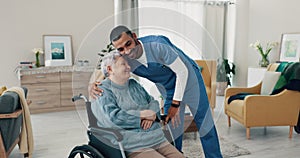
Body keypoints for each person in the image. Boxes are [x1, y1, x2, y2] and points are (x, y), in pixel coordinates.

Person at [91, 25, 223, 157]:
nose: (127, 51)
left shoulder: (158, 45)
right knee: (172, 126)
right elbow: (111, 70)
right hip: (168, 87)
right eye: (121, 49)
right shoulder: (125, 57)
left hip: (190, 81)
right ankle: (176, 153)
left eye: (128, 44)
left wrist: (175, 104)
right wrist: (96, 84)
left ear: (134, 37)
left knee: (205, 123)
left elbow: (182, 72)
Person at [91, 52, 185, 158]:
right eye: (123, 64)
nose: (129, 67)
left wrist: (151, 115)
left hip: (157, 139)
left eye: (128, 64)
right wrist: (141, 115)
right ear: (110, 69)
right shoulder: (102, 91)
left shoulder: (134, 84)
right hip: (133, 145)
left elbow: (153, 102)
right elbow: (113, 118)